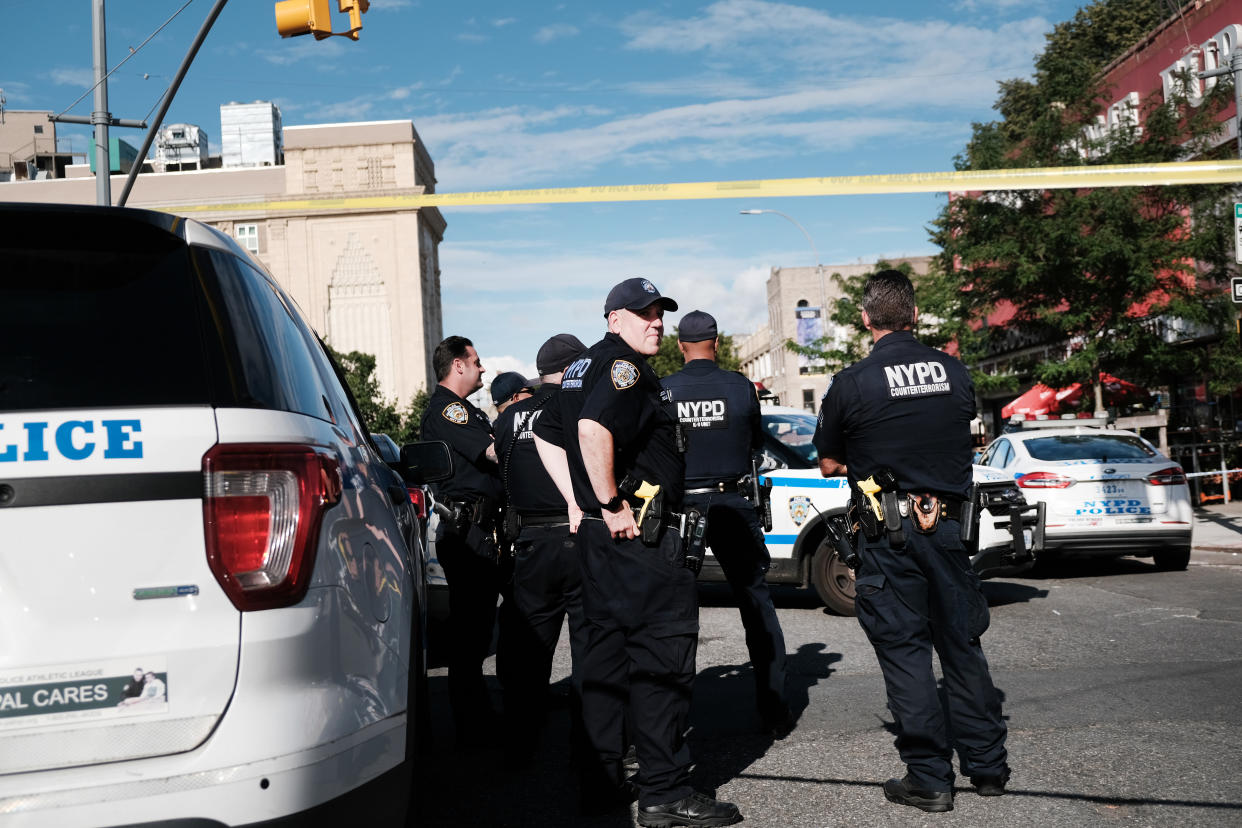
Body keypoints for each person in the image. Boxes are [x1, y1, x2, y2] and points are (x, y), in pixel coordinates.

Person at [534, 278, 742, 827]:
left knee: (603, 660)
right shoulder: (624, 368)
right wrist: (607, 501)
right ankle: (664, 791)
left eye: (658, 313)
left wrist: (580, 506)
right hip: (638, 540)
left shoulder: (582, 367)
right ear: (613, 319)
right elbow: (590, 428)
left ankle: (601, 780)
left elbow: (546, 430)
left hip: (601, 546)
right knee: (662, 660)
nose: (655, 322)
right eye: (642, 314)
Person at [811, 270, 1009, 813]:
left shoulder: (851, 383)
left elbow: (829, 462)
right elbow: (957, 434)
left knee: (906, 655)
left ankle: (930, 779)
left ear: (865, 319)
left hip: (887, 535)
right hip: (947, 528)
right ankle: (988, 768)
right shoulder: (955, 372)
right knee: (962, 646)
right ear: (916, 316)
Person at [660, 309, 793, 738]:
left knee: (675, 610)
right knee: (756, 604)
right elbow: (755, 443)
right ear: (716, 344)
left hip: (683, 508)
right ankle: (773, 709)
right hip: (733, 500)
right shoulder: (740, 387)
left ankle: (673, 716)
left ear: (680, 346)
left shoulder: (663, 391)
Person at [494, 334, 589, 768]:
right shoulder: (578, 406)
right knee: (591, 645)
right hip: (579, 535)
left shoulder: (508, 417)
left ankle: (519, 744)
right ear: (572, 368)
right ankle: (592, 747)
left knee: (528, 650)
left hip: (530, 545)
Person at [420, 335, 504, 748]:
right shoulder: (449, 410)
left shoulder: (464, 410)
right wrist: (524, 435)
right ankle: (474, 730)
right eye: (476, 361)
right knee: (470, 636)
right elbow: (490, 453)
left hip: (478, 529)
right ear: (457, 365)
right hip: (467, 530)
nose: (482, 368)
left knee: (478, 630)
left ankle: (480, 719)